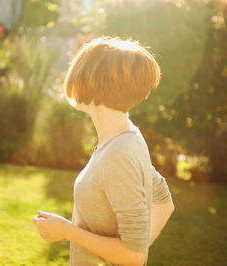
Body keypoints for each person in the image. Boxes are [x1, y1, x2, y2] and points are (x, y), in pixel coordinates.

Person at [33, 36, 175, 266]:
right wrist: (135, 244)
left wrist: (66, 230)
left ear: (96, 85)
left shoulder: (119, 153)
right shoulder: (126, 138)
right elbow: (164, 201)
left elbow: (134, 258)